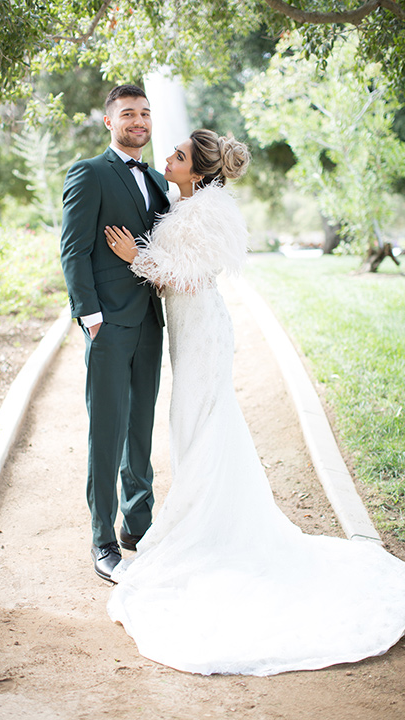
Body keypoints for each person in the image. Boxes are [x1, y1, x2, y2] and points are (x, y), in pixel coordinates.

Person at [103, 129, 405, 676]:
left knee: (199, 421)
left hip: (202, 332)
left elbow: (187, 280)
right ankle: (202, 514)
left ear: (198, 171)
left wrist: (133, 256)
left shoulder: (205, 213)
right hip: (188, 334)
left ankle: (204, 527)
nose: (167, 158)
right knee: (194, 423)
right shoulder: (184, 204)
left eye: (178, 156)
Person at [60, 85, 169, 582]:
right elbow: (73, 249)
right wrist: (90, 315)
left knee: (140, 431)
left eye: (144, 113)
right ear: (110, 122)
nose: (138, 121)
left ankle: (138, 526)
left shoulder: (157, 180)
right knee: (107, 432)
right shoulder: (90, 173)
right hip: (107, 324)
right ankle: (102, 540)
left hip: (149, 322)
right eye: (128, 114)